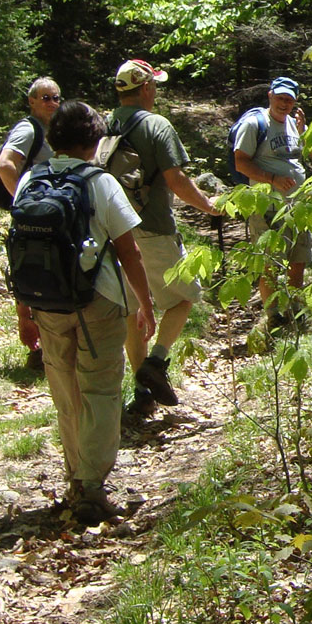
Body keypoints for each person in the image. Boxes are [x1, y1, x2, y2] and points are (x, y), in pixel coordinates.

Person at [28, 100, 156, 525]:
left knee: (66, 394)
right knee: (100, 392)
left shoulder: (32, 178)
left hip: (47, 302)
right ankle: (91, 487)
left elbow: (21, 251)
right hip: (97, 301)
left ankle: (74, 477)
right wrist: (145, 304)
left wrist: (24, 310)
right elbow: (129, 250)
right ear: (94, 141)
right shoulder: (99, 183)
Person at [110, 58, 221, 415]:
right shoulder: (157, 125)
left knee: (132, 310)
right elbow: (176, 180)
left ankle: (141, 391)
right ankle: (155, 363)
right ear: (145, 89)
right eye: (154, 85)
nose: (155, 90)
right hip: (154, 228)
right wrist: (208, 207)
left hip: (114, 231)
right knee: (183, 298)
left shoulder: (105, 124)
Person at [231, 76, 312, 321]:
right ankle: (272, 316)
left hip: (297, 207)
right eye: (281, 98)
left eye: (290, 100)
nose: (285, 104)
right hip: (267, 207)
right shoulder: (255, 123)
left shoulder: (295, 125)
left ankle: (296, 311)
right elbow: (241, 162)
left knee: (298, 260)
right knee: (270, 263)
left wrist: (305, 133)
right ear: (270, 95)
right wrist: (272, 178)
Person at [0, 78, 61, 375]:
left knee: (47, 272)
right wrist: (22, 204)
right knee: (33, 273)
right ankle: (37, 347)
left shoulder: (50, 132)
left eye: (56, 98)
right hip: (32, 219)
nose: (52, 102)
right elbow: (5, 165)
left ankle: (47, 348)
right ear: (32, 101)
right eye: (45, 97)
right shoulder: (28, 129)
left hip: (47, 218)